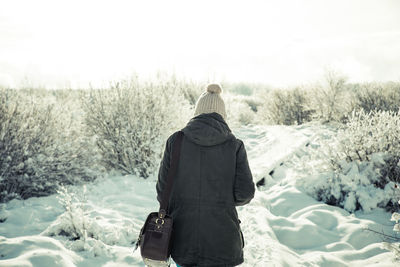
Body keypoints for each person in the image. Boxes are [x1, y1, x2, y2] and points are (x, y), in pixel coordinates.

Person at [156, 83, 255, 267]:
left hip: (182, 240)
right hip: (223, 242)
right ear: (222, 115)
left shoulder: (175, 141)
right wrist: (221, 200)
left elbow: (163, 192)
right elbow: (245, 194)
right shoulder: (235, 145)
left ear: (197, 112)